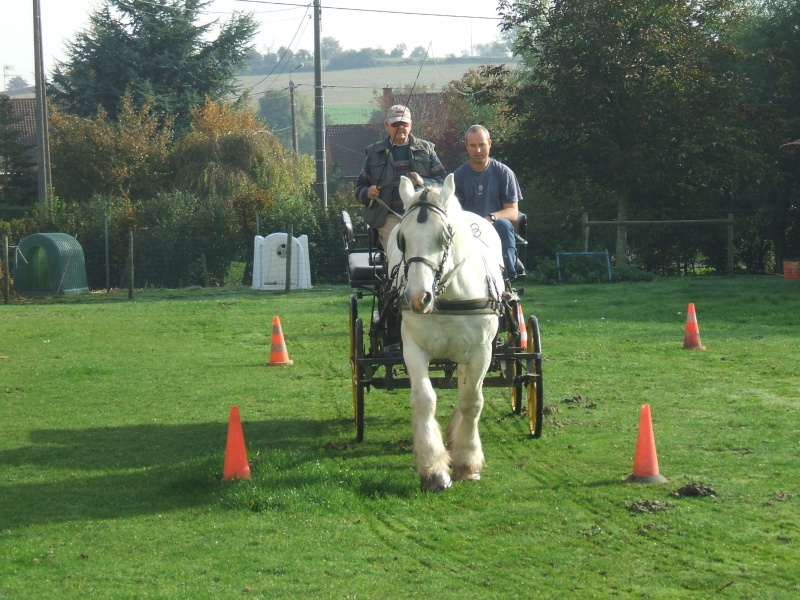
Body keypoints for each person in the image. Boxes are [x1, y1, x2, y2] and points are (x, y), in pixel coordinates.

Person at [355, 104, 446, 251]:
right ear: (387, 125)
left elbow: (442, 183)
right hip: (389, 217)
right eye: (395, 124)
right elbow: (359, 189)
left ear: (411, 125)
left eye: (404, 124)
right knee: (398, 251)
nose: (400, 127)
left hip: (424, 215)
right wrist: (368, 192)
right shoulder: (374, 153)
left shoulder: (427, 150)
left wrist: (423, 182)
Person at [453, 124, 524, 279]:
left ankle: (508, 275)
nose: (478, 150)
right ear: (466, 146)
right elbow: (453, 212)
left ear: (490, 144)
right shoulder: (458, 176)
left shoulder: (504, 173)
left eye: (482, 145)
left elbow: (513, 211)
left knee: (504, 224)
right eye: (473, 145)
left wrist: (491, 218)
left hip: (496, 228)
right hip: (468, 231)